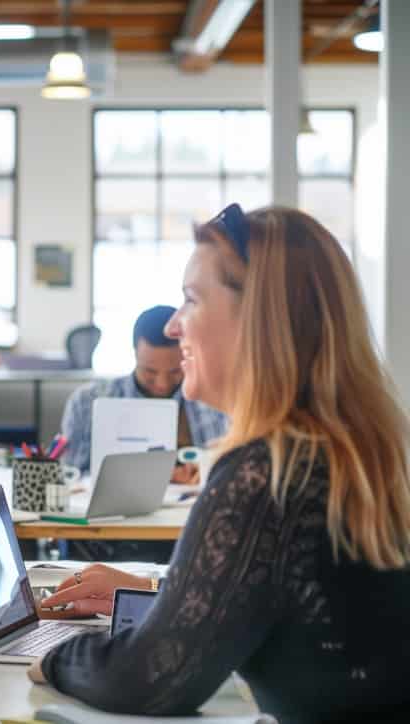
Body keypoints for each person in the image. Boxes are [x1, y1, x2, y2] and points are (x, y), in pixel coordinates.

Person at [30, 205, 410, 722]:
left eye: (191, 299)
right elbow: (262, 598)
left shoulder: (268, 472)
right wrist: (144, 592)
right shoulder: (351, 448)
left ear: (258, 319)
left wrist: (49, 656)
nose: (173, 324)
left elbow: (149, 678)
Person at [60, 304, 228, 484]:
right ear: (134, 354)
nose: (162, 384)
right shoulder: (86, 402)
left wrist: (202, 470)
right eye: (150, 371)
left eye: (174, 371)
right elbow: (70, 476)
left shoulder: (213, 402)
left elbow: (226, 470)